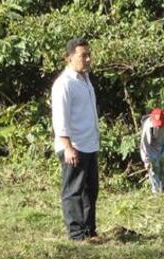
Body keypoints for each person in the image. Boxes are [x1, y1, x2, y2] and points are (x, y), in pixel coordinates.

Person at [51, 37, 100, 241]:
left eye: (89, 55)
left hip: (89, 144)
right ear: (69, 58)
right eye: (83, 56)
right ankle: (76, 233)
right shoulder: (64, 84)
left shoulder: (85, 80)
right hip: (74, 145)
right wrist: (67, 146)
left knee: (90, 191)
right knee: (73, 191)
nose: (87, 59)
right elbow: (60, 117)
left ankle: (89, 230)